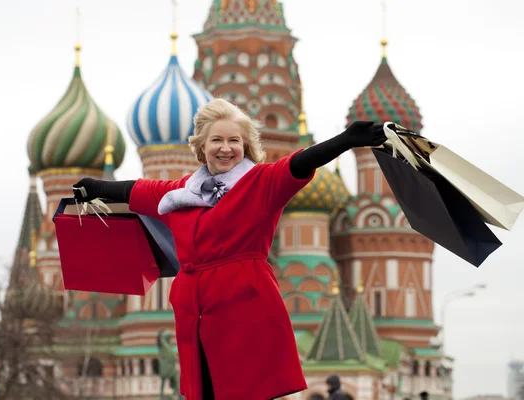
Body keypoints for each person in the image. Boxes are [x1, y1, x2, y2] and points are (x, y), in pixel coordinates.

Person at [72, 99, 385, 400]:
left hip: (243, 306)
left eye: (234, 140)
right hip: (194, 311)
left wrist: (345, 140)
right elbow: (136, 191)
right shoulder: (181, 193)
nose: (225, 148)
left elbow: (298, 163)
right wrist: (95, 187)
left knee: (243, 389)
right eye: (216, 140)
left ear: (245, 145)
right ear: (202, 146)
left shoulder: (259, 183)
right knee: (206, 389)